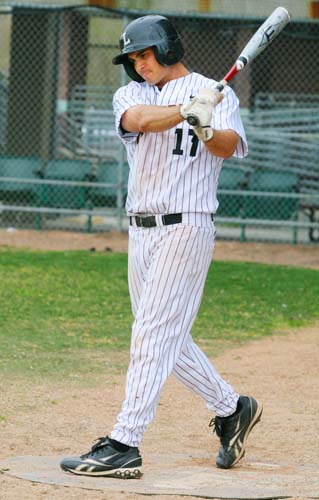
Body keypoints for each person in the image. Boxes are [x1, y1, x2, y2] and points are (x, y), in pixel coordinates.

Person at [60, 14, 262, 479]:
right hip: (141, 228)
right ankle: (233, 408)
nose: (139, 63)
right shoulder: (130, 94)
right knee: (164, 335)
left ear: (168, 48)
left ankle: (124, 443)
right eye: (133, 57)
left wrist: (207, 125)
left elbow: (229, 146)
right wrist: (186, 111)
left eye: (146, 54)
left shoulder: (218, 91)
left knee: (152, 333)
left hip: (186, 225)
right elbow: (138, 121)